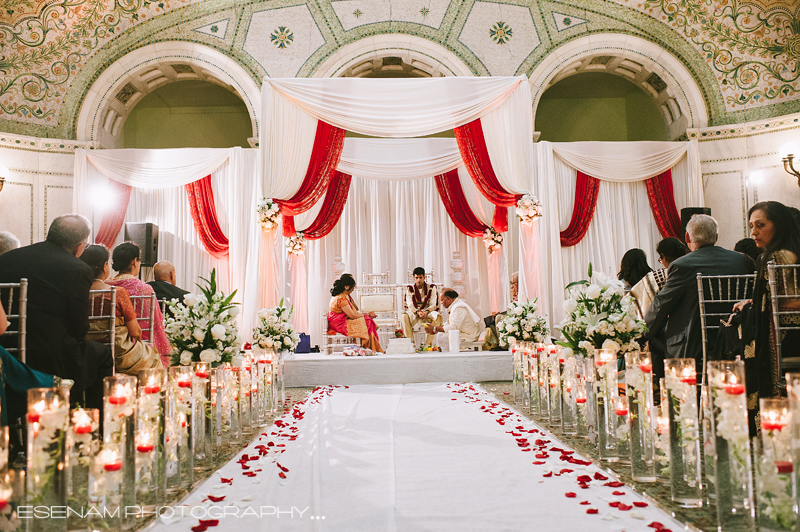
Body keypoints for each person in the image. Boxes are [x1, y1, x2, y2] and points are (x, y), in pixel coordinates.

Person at [0, 214, 113, 409]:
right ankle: (89, 419)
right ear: (79, 246)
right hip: (51, 358)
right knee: (102, 354)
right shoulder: (77, 269)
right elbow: (79, 327)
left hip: (7, 352)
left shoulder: (8, 258)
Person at [644, 214, 754, 367]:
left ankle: (672, 386)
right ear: (716, 236)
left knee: (654, 340)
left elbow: (662, 304)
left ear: (687, 237)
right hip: (736, 336)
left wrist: (641, 333)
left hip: (694, 344)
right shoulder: (742, 260)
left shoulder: (681, 265)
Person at [732, 202, 800, 430]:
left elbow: (788, 304)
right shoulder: (786, 254)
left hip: (786, 340)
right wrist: (754, 302)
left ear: (779, 226)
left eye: (760, 225)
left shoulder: (776, 257)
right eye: (751, 225)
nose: (754, 232)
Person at [80, 245, 162, 375]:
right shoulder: (117, 293)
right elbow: (135, 332)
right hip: (118, 352)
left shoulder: (79, 292)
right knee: (154, 360)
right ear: (105, 265)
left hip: (85, 349)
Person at [106, 242, 171, 367]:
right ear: (134, 261)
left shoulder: (105, 287)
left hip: (108, 346)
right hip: (139, 349)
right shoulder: (144, 289)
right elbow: (157, 326)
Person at [327, 273, 383, 352]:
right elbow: (353, 316)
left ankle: (371, 348)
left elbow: (355, 309)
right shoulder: (341, 299)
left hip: (340, 321)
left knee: (367, 320)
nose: (353, 289)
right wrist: (367, 314)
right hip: (339, 324)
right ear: (346, 287)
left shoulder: (344, 296)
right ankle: (370, 348)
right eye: (352, 287)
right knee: (368, 320)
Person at [400, 267, 441, 346]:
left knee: (438, 317)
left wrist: (425, 311)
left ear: (424, 277)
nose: (419, 280)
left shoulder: (431, 288)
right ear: (414, 278)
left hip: (427, 311)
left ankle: (428, 344)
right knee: (404, 316)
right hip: (414, 312)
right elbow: (410, 304)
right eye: (417, 278)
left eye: (421, 277)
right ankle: (411, 344)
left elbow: (433, 304)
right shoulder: (410, 289)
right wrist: (418, 312)